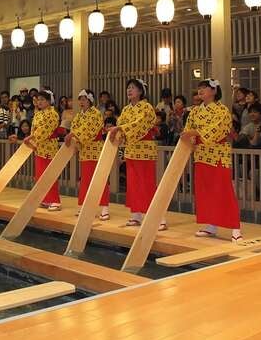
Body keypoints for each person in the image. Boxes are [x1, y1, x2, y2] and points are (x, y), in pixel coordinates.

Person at [181, 79, 243, 241]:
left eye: (205, 88)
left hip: (218, 156)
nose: (200, 91)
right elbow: (188, 129)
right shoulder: (195, 111)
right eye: (199, 88)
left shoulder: (222, 110)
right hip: (201, 155)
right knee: (204, 191)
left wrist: (194, 133)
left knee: (223, 190)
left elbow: (215, 130)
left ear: (214, 91)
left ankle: (235, 227)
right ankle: (211, 225)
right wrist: (191, 138)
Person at [110, 79, 164, 229]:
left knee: (147, 182)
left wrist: (119, 129)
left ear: (141, 91)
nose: (129, 90)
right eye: (128, 87)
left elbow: (139, 124)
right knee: (133, 183)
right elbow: (121, 126)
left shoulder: (147, 107)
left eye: (133, 88)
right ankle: (136, 214)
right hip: (131, 150)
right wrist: (116, 131)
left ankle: (158, 218)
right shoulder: (126, 109)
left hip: (145, 149)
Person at [66, 89, 109, 220]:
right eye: (80, 99)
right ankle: (84, 205)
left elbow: (89, 130)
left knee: (99, 179)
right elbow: (74, 128)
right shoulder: (79, 115)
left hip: (96, 149)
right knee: (85, 179)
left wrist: (74, 134)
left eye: (84, 99)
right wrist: (74, 138)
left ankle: (104, 207)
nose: (81, 102)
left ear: (90, 100)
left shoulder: (96, 113)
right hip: (84, 151)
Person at [24, 91, 62, 211]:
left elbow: (45, 130)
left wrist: (32, 137)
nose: (39, 102)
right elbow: (34, 129)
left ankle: (55, 200)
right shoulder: (38, 114)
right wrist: (33, 141)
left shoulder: (53, 113)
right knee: (40, 175)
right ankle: (45, 199)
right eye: (38, 99)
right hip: (39, 147)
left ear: (48, 101)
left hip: (50, 147)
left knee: (50, 174)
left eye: (42, 99)